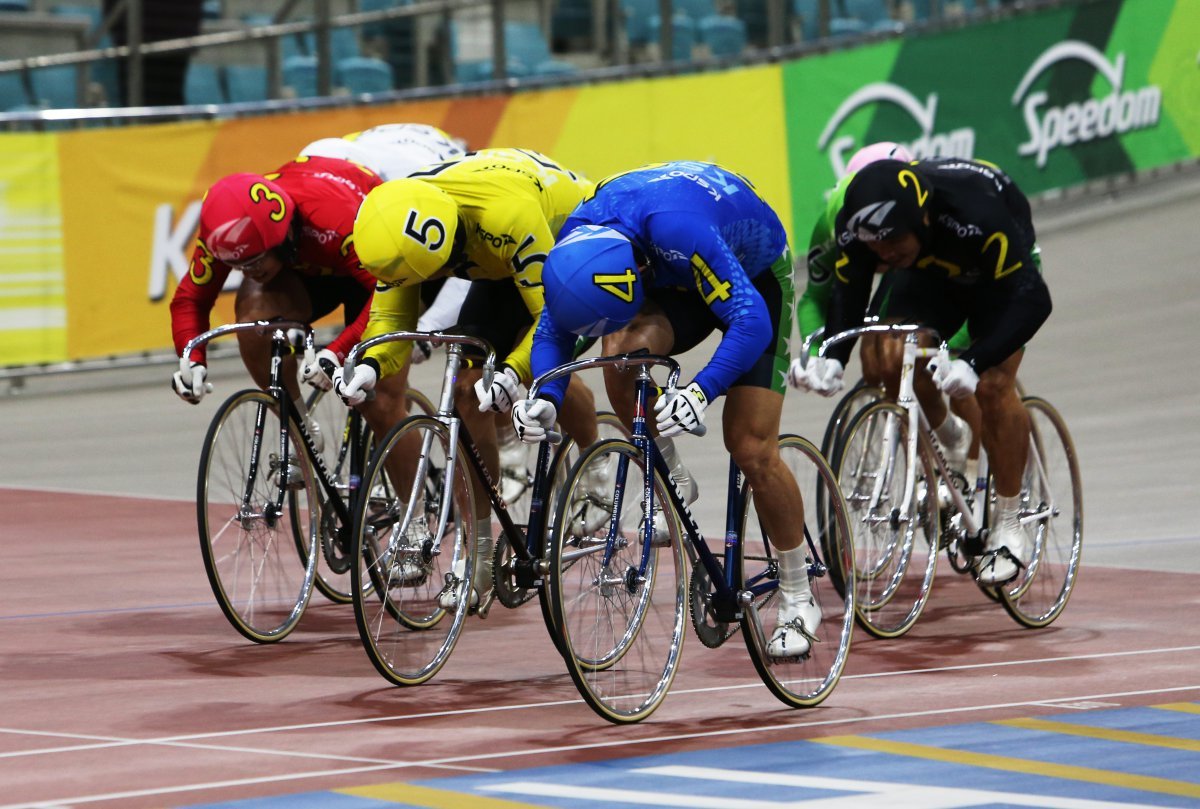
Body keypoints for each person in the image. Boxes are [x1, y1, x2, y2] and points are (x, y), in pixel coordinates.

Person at [518, 160, 819, 658]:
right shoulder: (578, 248)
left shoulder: (679, 230)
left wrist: (699, 392)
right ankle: (672, 474)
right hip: (668, 272)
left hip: (752, 274)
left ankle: (797, 593)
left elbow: (752, 322)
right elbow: (552, 334)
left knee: (750, 446)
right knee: (617, 354)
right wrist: (546, 398)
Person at [333, 147, 603, 610]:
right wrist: (369, 367)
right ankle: (477, 555)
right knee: (465, 390)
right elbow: (392, 319)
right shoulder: (398, 218)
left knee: (546, 365)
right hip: (489, 254)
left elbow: (555, 323)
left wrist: (517, 372)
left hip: (563, 234)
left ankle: (595, 471)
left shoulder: (506, 218)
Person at [791, 157, 1051, 586]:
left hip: (996, 276)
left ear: (922, 216)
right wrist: (832, 358)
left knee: (992, 385)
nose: (884, 252)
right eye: (875, 247)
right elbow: (849, 293)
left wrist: (974, 360)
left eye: (892, 240)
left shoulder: (976, 215)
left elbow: (1033, 301)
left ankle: (1009, 522)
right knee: (889, 356)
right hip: (930, 274)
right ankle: (951, 436)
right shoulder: (866, 234)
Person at [168, 155, 409, 474]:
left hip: (373, 269)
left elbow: (390, 293)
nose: (247, 271)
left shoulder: (336, 222)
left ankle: (417, 518)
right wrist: (191, 357)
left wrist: (338, 351)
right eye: (238, 266)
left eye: (254, 261)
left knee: (379, 404)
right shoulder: (226, 234)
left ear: (280, 236)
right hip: (305, 267)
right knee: (254, 321)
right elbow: (190, 300)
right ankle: (300, 429)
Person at [797, 141, 981, 479]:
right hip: (871, 269)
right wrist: (816, 352)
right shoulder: (834, 221)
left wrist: (958, 347)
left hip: (919, 266)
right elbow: (815, 298)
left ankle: (965, 462)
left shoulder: (925, 220)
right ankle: (919, 445)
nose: (878, 238)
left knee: (917, 351)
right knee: (876, 360)